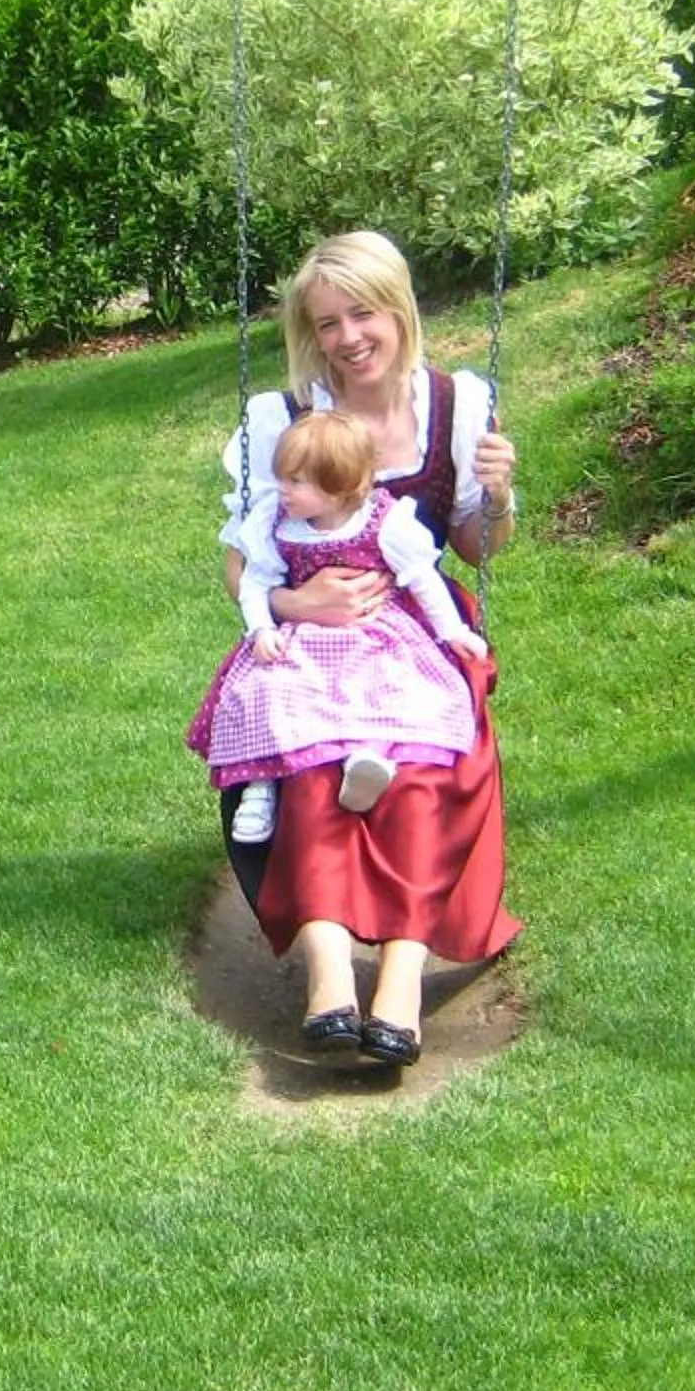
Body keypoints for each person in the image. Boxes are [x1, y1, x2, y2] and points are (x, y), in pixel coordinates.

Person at [215, 230, 522, 1069]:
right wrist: (294, 604)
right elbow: (242, 554)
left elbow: (476, 549)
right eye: (328, 322)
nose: (349, 338)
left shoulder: (458, 404)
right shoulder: (279, 419)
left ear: (399, 311)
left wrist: (494, 496)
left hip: (416, 629)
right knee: (315, 766)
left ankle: (400, 980)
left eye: (364, 314)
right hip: (311, 635)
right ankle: (327, 979)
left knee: (425, 770)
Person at [188, 408, 489, 846]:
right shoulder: (276, 521)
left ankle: (367, 761)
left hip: (374, 634)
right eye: (282, 477)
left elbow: (423, 579)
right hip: (300, 637)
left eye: (296, 481)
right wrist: (260, 630)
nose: (283, 490)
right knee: (269, 691)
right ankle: (261, 788)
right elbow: (254, 581)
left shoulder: (385, 523)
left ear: (339, 488)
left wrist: (452, 632)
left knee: (391, 686)